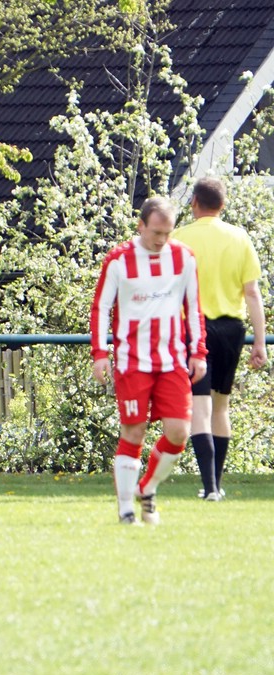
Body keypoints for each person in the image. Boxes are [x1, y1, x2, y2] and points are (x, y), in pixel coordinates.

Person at [90, 196, 208, 525]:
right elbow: (101, 308)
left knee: (179, 432)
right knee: (134, 431)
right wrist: (100, 353)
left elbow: (194, 308)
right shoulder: (118, 260)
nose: (161, 240)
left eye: (167, 233)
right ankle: (126, 511)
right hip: (132, 361)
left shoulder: (184, 257)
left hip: (172, 360)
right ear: (141, 225)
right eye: (156, 232)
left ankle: (148, 488)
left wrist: (198, 351)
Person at [172, 177, 267, 501]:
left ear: (194, 202)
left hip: (193, 330)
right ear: (223, 205)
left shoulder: (179, 238)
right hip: (231, 330)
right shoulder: (240, 238)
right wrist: (259, 341)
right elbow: (252, 293)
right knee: (221, 406)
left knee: (199, 406)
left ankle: (210, 486)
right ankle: (216, 484)